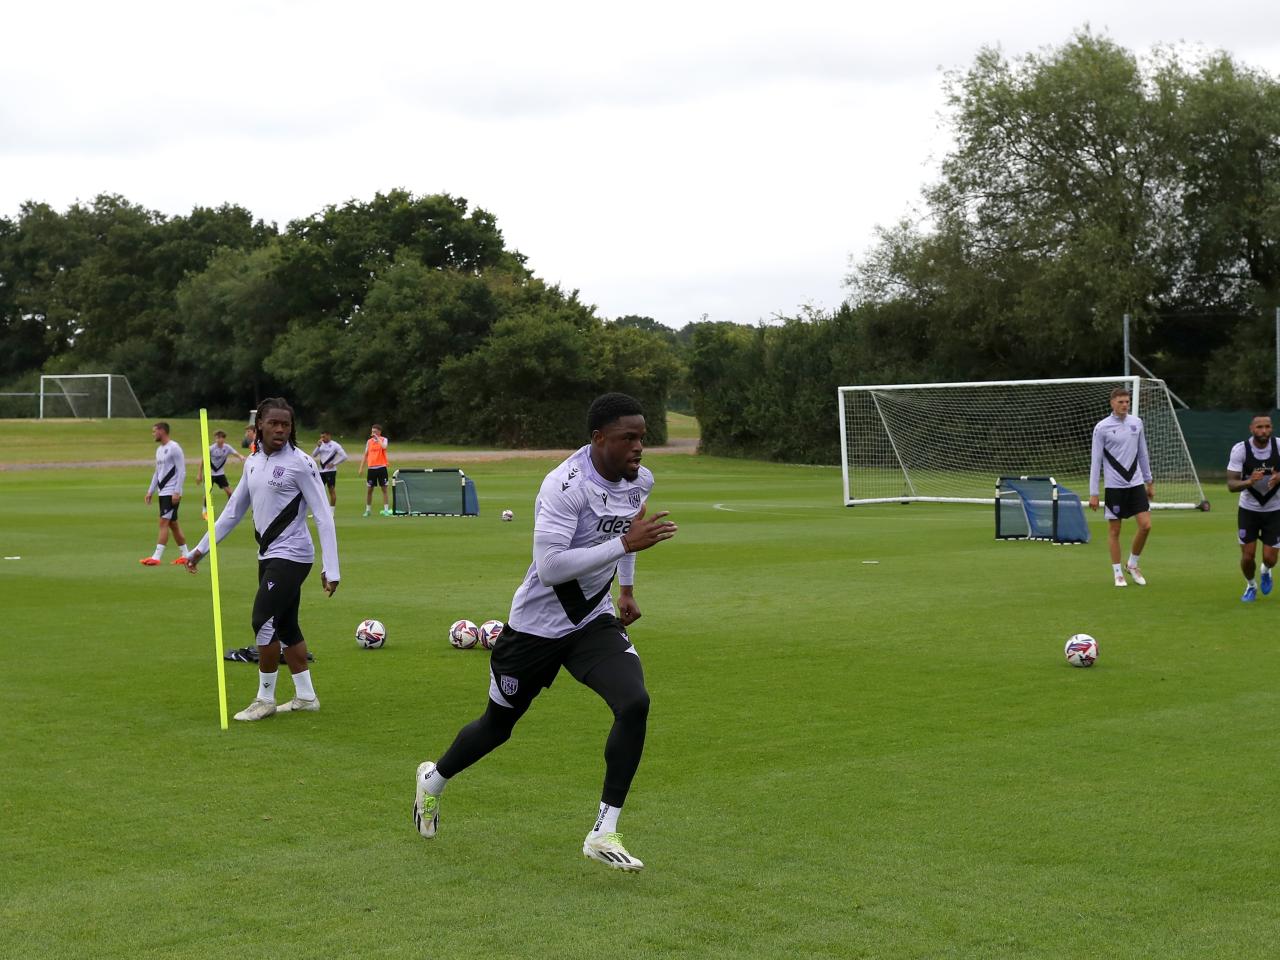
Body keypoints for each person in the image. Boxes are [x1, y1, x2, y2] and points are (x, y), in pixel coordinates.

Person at [412, 392, 678, 872]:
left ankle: (604, 831)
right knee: (497, 728)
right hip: (535, 628)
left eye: (643, 437)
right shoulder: (563, 486)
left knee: (634, 702)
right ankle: (433, 780)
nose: (639, 447)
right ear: (599, 439)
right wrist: (624, 541)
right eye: (628, 438)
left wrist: (627, 588)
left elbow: (629, 528)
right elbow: (551, 567)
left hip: (591, 620)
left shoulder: (641, 480)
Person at [185, 398, 340, 721]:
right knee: (286, 625)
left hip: (293, 555)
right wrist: (200, 549)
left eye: (286, 424)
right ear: (260, 427)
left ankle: (264, 699)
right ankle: (306, 697)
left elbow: (323, 515)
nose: (281, 429)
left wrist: (331, 567)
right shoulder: (252, 462)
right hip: (268, 554)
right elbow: (232, 511)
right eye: (274, 423)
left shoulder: (301, 463)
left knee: (262, 619)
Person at [1088, 386, 1154, 587]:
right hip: (1114, 487)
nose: (1125, 405)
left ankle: (1132, 564)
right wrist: (1094, 493)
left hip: (1135, 484)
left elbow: (1142, 453)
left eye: (1127, 402)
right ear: (1112, 403)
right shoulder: (1102, 428)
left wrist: (1149, 481)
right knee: (1115, 531)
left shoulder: (1137, 423)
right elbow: (1096, 461)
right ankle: (1117, 573)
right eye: (1121, 402)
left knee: (1146, 525)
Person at [1226, 413, 1280, 602]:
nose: (1264, 431)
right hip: (1249, 510)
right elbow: (1231, 484)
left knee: (1270, 558)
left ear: (1271, 428)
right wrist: (1249, 481)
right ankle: (1251, 585)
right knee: (1248, 557)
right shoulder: (1241, 450)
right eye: (1259, 427)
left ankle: (1266, 571)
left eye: (1267, 426)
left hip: (1275, 510)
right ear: (1251, 429)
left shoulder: (1279, 446)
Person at [140, 421, 191, 566]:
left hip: (171, 493)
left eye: (154, 431)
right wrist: (151, 491)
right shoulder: (159, 450)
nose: (153, 434)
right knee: (173, 524)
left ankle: (156, 557)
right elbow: (157, 472)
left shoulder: (174, 448)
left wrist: (177, 491)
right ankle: (186, 555)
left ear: (162, 431)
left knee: (163, 522)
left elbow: (182, 471)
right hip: (163, 493)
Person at [196, 430, 246, 519]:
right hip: (210, 474)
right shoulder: (211, 448)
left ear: (224, 439)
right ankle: (204, 512)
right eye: (217, 438)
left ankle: (231, 510)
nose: (218, 440)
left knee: (229, 492)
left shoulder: (227, 448)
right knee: (208, 493)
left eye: (220, 438)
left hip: (220, 474)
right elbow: (202, 461)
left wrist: (241, 457)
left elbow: (236, 453)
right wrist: (199, 474)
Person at [357, 424, 392, 517]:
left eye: (375, 432)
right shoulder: (369, 442)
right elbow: (365, 455)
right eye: (372, 431)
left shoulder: (384, 439)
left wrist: (378, 438)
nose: (373, 433)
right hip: (371, 468)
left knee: (384, 488)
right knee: (369, 490)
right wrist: (361, 468)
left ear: (379, 432)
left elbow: (384, 447)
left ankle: (386, 509)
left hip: (381, 467)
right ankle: (368, 510)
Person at [311, 430, 350, 511]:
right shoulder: (321, 444)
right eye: (321, 437)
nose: (322, 438)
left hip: (331, 471)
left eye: (324, 437)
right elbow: (314, 455)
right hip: (321, 471)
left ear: (329, 436)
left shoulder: (335, 445)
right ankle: (319, 511)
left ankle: (331, 512)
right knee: (318, 491)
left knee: (331, 490)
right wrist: (318, 446)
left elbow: (344, 456)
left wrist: (334, 463)